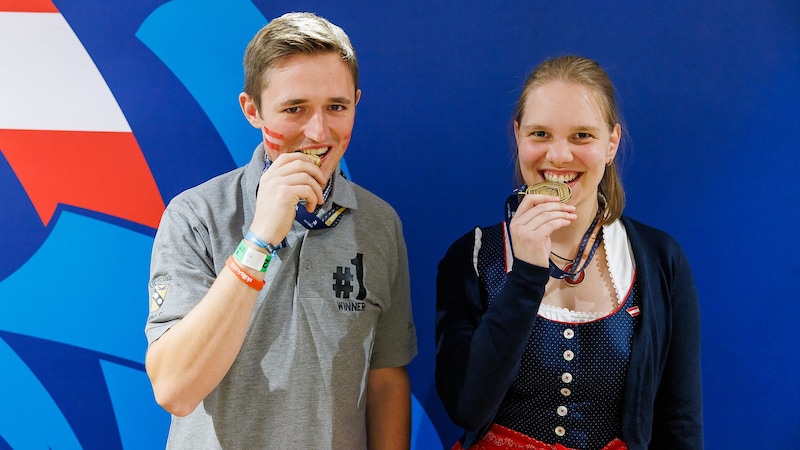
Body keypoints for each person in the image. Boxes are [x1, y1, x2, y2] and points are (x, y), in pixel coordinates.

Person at [144, 12, 417, 449]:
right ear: (252, 110)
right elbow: (175, 389)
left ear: (356, 103)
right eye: (295, 109)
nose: (318, 131)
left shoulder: (380, 223)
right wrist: (259, 239)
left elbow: (385, 378)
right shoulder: (195, 215)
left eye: (336, 107)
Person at [435, 55, 702, 450]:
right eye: (540, 134)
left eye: (582, 136)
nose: (558, 156)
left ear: (612, 143)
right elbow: (467, 407)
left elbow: (679, 422)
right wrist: (525, 274)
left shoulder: (660, 259)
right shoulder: (474, 256)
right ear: (517, 136)